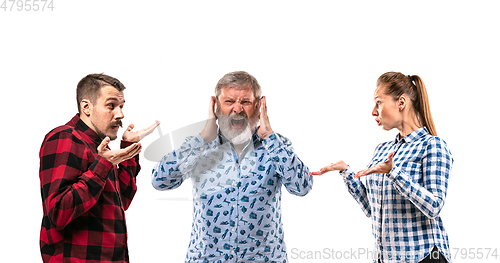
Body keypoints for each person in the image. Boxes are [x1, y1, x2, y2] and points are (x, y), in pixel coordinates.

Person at [152, 71, 313, 262]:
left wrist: (270, 137)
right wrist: (202, 138)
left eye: (245, 102)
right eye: (229, 102)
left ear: (259, 105)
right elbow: (160, 181)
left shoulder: (277, 146)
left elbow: (302, 187)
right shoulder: (198, 147)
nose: (237, 109)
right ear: (216, 106)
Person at [311, 72, 453, 263]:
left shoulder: (433, 146)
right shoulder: (383, 150)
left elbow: (434, 206)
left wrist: (394, 173)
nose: (373, 111)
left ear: (401, 103)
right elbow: (372, 208)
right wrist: (346, 171)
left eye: (378, 102)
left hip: (424, 257)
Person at [39, 73, 159, 262]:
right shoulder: (64, 137)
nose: (120, 114)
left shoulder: (100, 148)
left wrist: (127, 148)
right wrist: (104, 164)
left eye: (121, 106)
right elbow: (58, 212)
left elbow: (122, 201)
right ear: (86, 107)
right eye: (111, 105)